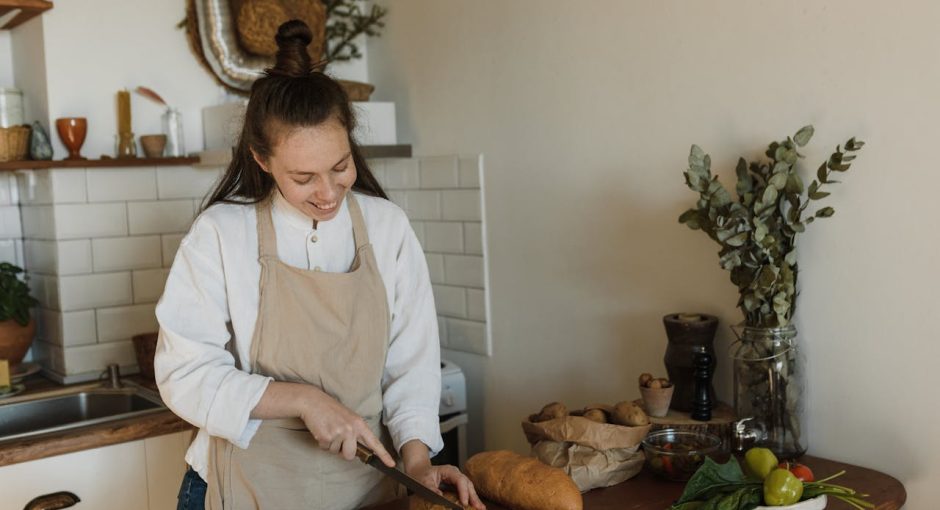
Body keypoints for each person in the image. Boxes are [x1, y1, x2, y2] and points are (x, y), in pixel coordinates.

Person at [154, 19, 484, 510]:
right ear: (261, 161)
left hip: (370, 486)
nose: (328, 193)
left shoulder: (386, 226)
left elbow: (411, 366)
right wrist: (304, 400)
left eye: (340, 166)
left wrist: (416, 461)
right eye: (304, 177)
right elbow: (185, 373)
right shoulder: (222, 233)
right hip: (246, 485)